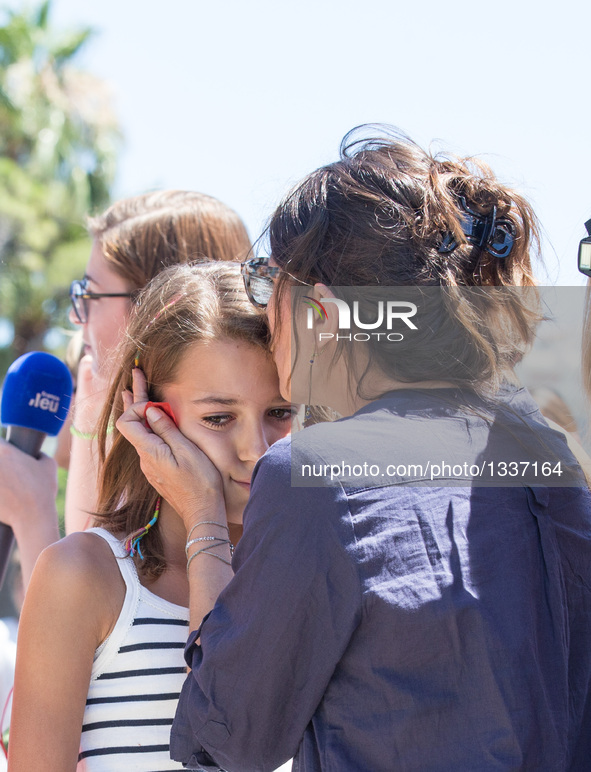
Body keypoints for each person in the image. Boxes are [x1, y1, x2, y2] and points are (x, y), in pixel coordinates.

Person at [117, 127, 591, 771]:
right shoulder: (545, 453)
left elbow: (227, 741)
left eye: (267, 283)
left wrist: (203, 521)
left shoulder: (319, 475)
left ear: (324, 312)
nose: (263, 310)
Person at [8, 262, 294, 771]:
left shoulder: (314, 568)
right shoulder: (84, 577)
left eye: (280, 412)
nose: (256, 449)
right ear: (148, 412)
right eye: (219, 418)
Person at [0, 189, 251, 586]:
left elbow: (83, 631)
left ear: (161, 307)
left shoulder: (228, 468)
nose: (74, 313)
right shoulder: (98, 393)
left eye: (90, 293)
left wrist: (32, 515)